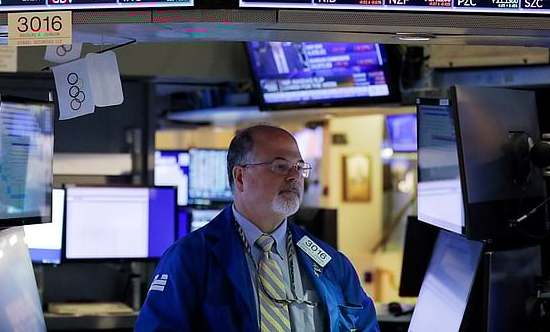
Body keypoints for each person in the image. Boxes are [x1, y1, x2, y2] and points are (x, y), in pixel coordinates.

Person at [135, 125, 380, 331]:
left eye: (299, 167)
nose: (294, 177)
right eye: (280, 166)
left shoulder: (330, 263)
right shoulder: (190, 259)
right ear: (240, 177)